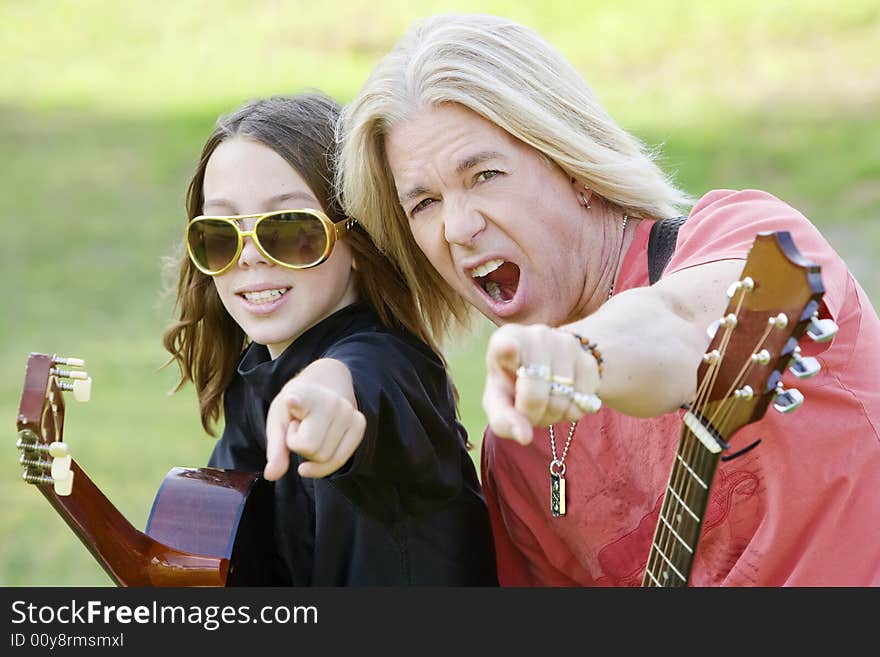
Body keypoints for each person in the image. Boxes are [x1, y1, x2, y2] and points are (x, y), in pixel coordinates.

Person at [336, 13, 880, 586]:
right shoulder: (518, 453)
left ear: (574, 166)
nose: (457, 227)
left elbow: (677, 324)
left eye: (485, 175)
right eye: (423, 203)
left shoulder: (755, 243)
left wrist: (582, 356)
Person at [162, 92, 497, 586]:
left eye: (291, 229)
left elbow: (358, 381)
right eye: (222, 233)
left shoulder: (392, 361)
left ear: (357, 239)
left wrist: (326, 394)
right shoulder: (255, 374)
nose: (250, 257)